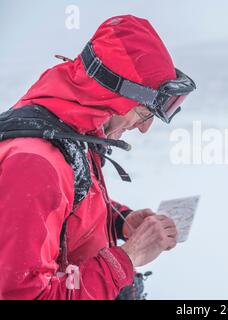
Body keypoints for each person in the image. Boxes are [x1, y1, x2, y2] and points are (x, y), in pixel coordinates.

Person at [0, 14, 196, 300]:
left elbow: (63, 206)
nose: (143, 128)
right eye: (143, 114)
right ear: (115, 98)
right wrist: (126, 259)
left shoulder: (70, 130)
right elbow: (25, 296)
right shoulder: (34, 164)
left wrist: (119, 220)